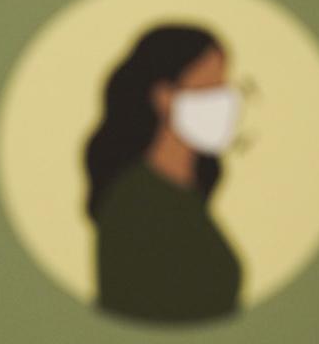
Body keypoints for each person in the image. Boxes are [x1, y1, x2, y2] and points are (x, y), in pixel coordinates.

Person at [85, 25, 243, 323]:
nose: (225, 102)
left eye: (225, 87)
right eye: (209, 88)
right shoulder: (136, 203)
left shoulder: (189, 189)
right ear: (164, 97)